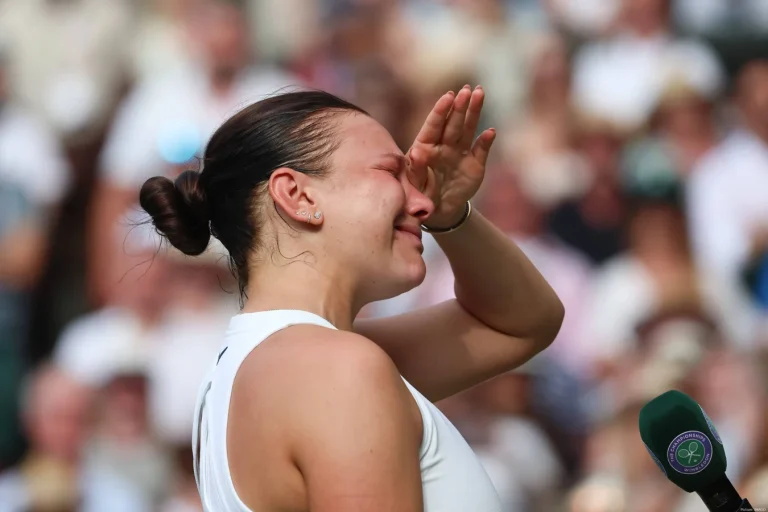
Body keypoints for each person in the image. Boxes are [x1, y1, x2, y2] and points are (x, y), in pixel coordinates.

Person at [140, 86, 564, 511]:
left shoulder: (281, 365)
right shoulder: (335, 370)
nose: (421, 201)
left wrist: (451, 212)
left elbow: (522, 323)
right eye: (390, 172)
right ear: (298, 196)